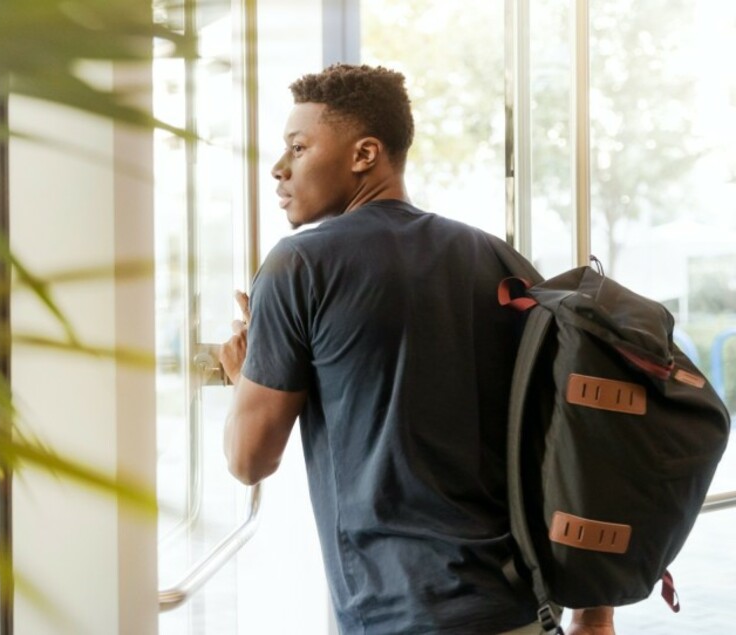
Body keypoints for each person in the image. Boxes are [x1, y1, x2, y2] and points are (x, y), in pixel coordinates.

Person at [216, 64, 616, 635]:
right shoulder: (501, 263)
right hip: (525, 606)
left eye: (298, 148)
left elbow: (248, 460)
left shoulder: (298, 265)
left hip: (401, 615)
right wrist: (594, 613)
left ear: (365, 154)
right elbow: (571, 436)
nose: (279, 170)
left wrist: (245, 374)